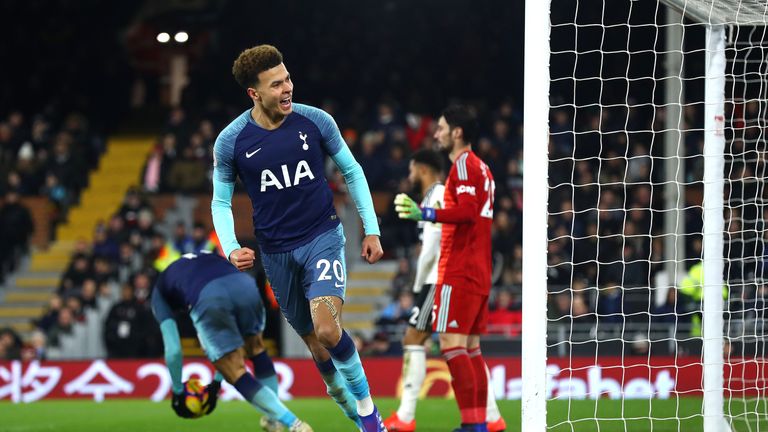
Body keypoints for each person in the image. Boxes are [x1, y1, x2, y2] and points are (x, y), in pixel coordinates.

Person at [211, 44, 386, 432]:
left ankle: (371, 419)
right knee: (316, 345)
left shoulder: (316, 121)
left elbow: (353, 173)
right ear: (254, 94)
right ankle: (347, 406)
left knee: (327, 328)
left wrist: (370, 228)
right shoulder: (231, 141)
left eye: (288, 78)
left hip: (322, 235)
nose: (288, 88)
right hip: (276, 253)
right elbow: (220, 202)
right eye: (276, 84)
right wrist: (231, 247)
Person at [386, 149, 506, 432]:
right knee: (466, 347)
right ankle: (492, 416)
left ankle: (405, 417)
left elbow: (435, 244)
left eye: (412, 168)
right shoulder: (431, 196)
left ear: (423, 168)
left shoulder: (438, 194)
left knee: (414, 337)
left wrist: (420, 283)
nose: (409, 174)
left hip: (437, 279)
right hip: (439, 278)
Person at [151, 251, 313, 432]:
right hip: (245, 285)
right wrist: (217, 382)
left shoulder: (159, 291)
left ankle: (294, 424)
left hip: (208, 296)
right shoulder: (206, 255)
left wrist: (178, 392)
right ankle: (273, 421)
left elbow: (173, 350)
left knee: (234, 371)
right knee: (256, 349)